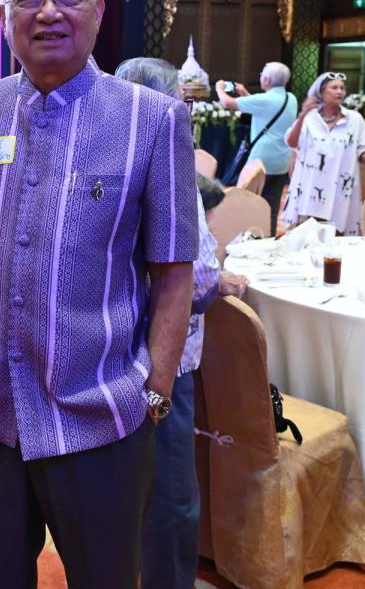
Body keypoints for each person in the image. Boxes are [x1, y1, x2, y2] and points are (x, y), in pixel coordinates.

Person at [0, 0, 198, 589]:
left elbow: (174, 270)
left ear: (98, 11)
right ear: (3, 17)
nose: (49, 12)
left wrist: (155, 389)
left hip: (100, 414)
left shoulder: (153, 120)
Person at [117, 57, 248, 589]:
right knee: (170, 493)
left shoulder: (104, 158)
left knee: (123, 484)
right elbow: (195, 281)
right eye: (181, 102)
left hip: (110, 353)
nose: (186, 113)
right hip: (163, 362)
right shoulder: (169, 169)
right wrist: (221, 284)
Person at [283, 71, 365, 235]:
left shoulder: (354, 119)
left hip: (340, 187)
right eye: (334, 88)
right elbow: (291, 142)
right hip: (311, 186)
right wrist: (302, 115)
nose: (339, 92)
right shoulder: (309, 118)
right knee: (308, 235)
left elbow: (364, 148)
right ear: (321, 92)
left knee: (338, 232)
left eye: (342, 88)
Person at [214, 62, 296, 232]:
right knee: (271, 206)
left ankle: (250, 237)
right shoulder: (291, 99)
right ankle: (269, 237)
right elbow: (265, 109)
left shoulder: (264, 100)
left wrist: (219, 88)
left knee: (250, 204)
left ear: (266, 80)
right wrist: (245, 93)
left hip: (261, 162)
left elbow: (228, 102)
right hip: (282, 161)